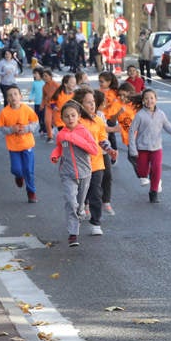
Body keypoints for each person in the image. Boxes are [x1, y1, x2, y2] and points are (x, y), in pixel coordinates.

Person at [50, 100, 101, 247]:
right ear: (62, 118)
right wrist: (55, 155)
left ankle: (80, 210)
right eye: (66, 116)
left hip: (85, 173)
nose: (70, 118)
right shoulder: (61, 134)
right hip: (67, 173)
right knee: (70, 202)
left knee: (79, 204)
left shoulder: (84, 131)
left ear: (78, 116)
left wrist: (75, 139)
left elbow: (94, 150)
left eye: (73, 115)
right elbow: (59, 148)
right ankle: (73, 234)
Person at [73, 87, 117, 236]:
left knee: (96, 192)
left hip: (97, 163)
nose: (92, 105)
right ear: (80, 104)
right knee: (81, 193)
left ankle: (96, 222)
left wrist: (109, 149)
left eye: (93, 102)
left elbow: (102, 139)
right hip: (79, 163)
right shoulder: (76, 121)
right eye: (88, 102)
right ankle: (79, 211)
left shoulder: (98, 120)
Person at [128, 88, 171, 203]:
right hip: (142, 148)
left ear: (156, 99)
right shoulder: (140, 115)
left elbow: (167, 126)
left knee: (157, 168)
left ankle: (153, 192)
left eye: (152, 98)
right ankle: (153, 177)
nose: (149, 101)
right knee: (142, 172)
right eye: (146, 98)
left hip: (156, 148)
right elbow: (131, 131)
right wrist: (133, 149)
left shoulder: (161, 114)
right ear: (143, 100)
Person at [0, 86, 40, 203]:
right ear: (7, 99)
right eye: (10, 95)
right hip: (13, 146)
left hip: (27, 145)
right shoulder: (4, 112)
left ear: (20, 96)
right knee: (16, 169)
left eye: (16, 94)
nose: (13, 97)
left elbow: (35, 122)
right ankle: (18, 176)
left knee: (28, 170)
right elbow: (0, 127)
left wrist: (27, 129)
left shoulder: (27, 109)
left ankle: (31, 192)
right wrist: (11, 129)